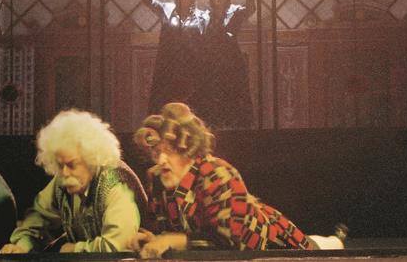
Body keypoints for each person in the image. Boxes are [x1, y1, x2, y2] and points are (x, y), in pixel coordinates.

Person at [128, 103, 313, 258]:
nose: (161, 160)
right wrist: (153, 239)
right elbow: (167, 233)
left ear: (189, 149)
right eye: (157, 152)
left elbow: (232, 244)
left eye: (170, 151)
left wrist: (175, 241)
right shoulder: (157, 178)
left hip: (284, 252)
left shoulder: (217, 173)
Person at [0, 110, 147, 253]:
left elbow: (117, 246)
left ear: (91, 160)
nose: (64, 172)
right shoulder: (64, 180)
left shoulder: (116, 184)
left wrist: (73, 250)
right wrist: (21, 247)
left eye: (72, 165)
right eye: (60, 165)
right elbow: (37, 219)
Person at [142, 0, 207, 113]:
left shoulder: (201, 16)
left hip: (193, 65)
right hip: (169, 65)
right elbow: (148, 0)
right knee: (168, 101)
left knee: (193, 103)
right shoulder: (166, 9)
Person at [201, 0, 256, 128]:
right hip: (212, 60)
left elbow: (251, 8)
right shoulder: (206, 15)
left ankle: (239, 126)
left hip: (232, 59)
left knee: (235, 92)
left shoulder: (235, 11)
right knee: (214, 93)